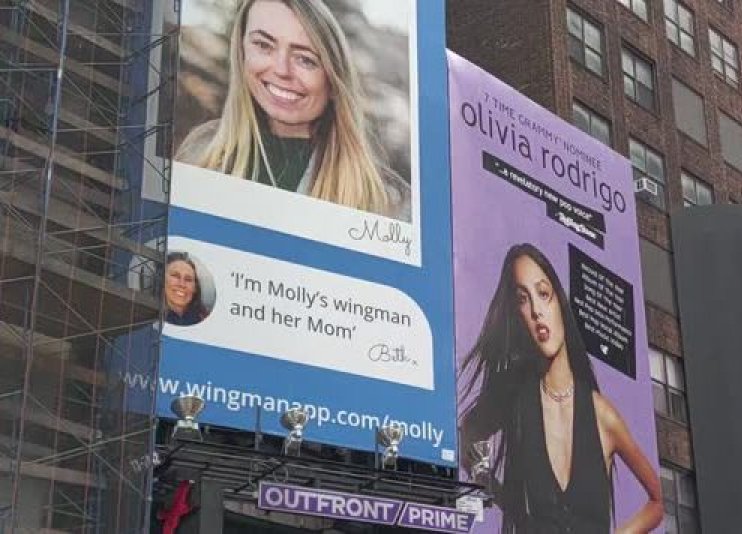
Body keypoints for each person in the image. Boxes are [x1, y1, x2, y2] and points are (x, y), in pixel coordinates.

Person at [459, 244, 663, 533]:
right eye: (522, 300)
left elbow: (657, 501)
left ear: (559, 302)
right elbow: (466, 435)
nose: (536, 311)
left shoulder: (601, 415)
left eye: (543, 294)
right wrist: (505, 499)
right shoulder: (517, 398)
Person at [176, 0, 409, 220]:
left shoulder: (385, 198)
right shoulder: (200, 152)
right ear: (241, 52)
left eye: (305, 60)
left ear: (334, 81)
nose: (281, 70)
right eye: (263, 45)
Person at [164, 252, 208, 326]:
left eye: (188, 279)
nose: (182, 284)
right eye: (175, 276)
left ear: (195, 288)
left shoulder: (205, 320)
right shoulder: (148, 317)